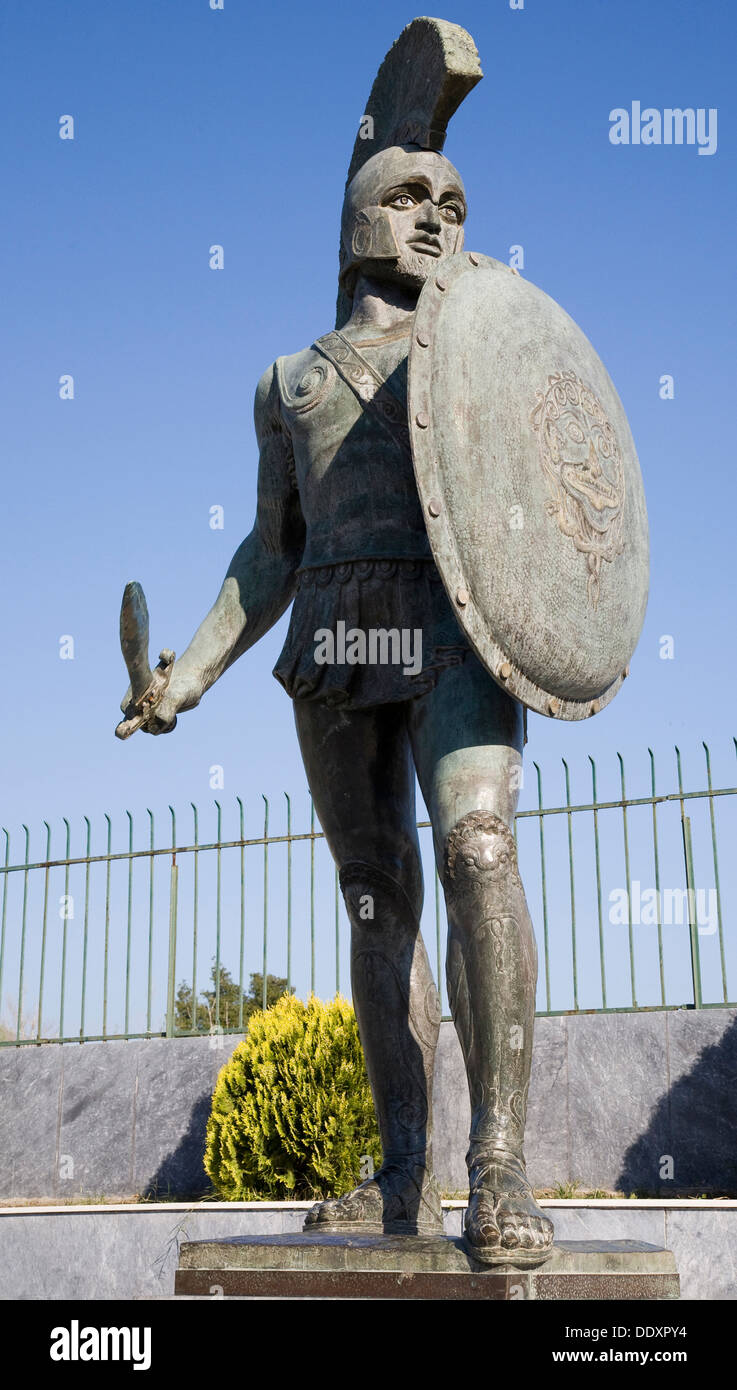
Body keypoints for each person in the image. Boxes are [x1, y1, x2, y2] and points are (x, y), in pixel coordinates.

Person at [130, 143, 554, 1265]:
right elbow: (271, 550)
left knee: (477, 851)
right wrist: (189, 676)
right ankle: (403, 1170)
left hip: (455, 629)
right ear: (355, 219)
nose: (434, 218)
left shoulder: (479, 350)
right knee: (376, 901)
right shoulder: (288, 384)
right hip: (332, 640)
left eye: (452, 205)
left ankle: (498, 1164)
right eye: (407, 197)